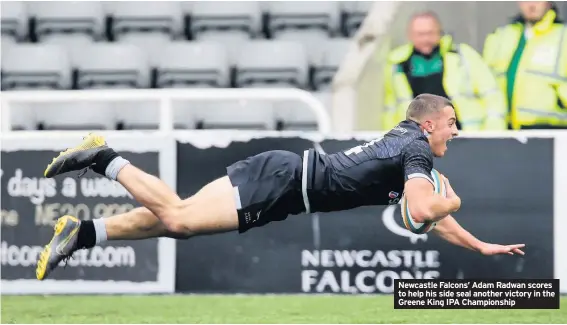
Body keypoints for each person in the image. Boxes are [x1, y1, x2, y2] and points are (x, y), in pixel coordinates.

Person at [35, 94, 525, 281]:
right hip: (285, 181)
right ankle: (103, 158)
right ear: (427, 125)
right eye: (451, 123)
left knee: (179, 220)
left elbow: (434, 217)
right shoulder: (416, 150)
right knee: (179, 218)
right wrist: (453, 197)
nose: (455, 131)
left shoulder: (408, 146)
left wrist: (479, 245)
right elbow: (422, 211)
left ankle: (83, 233)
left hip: (285, 179)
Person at [382, 11, 507, 131]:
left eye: (430, 33)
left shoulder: (462, 55)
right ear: (410, 35)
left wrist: (492, 133)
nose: (426, 39)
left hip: (464, 136)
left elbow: (492, 95)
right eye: (420, 34)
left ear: (439, 32)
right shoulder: (397, 64)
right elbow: (390, 109)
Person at [483, 1, 567, 129]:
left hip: (551, 127)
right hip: (505, 127)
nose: (531, 5)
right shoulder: (501, 36)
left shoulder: (562, 36)